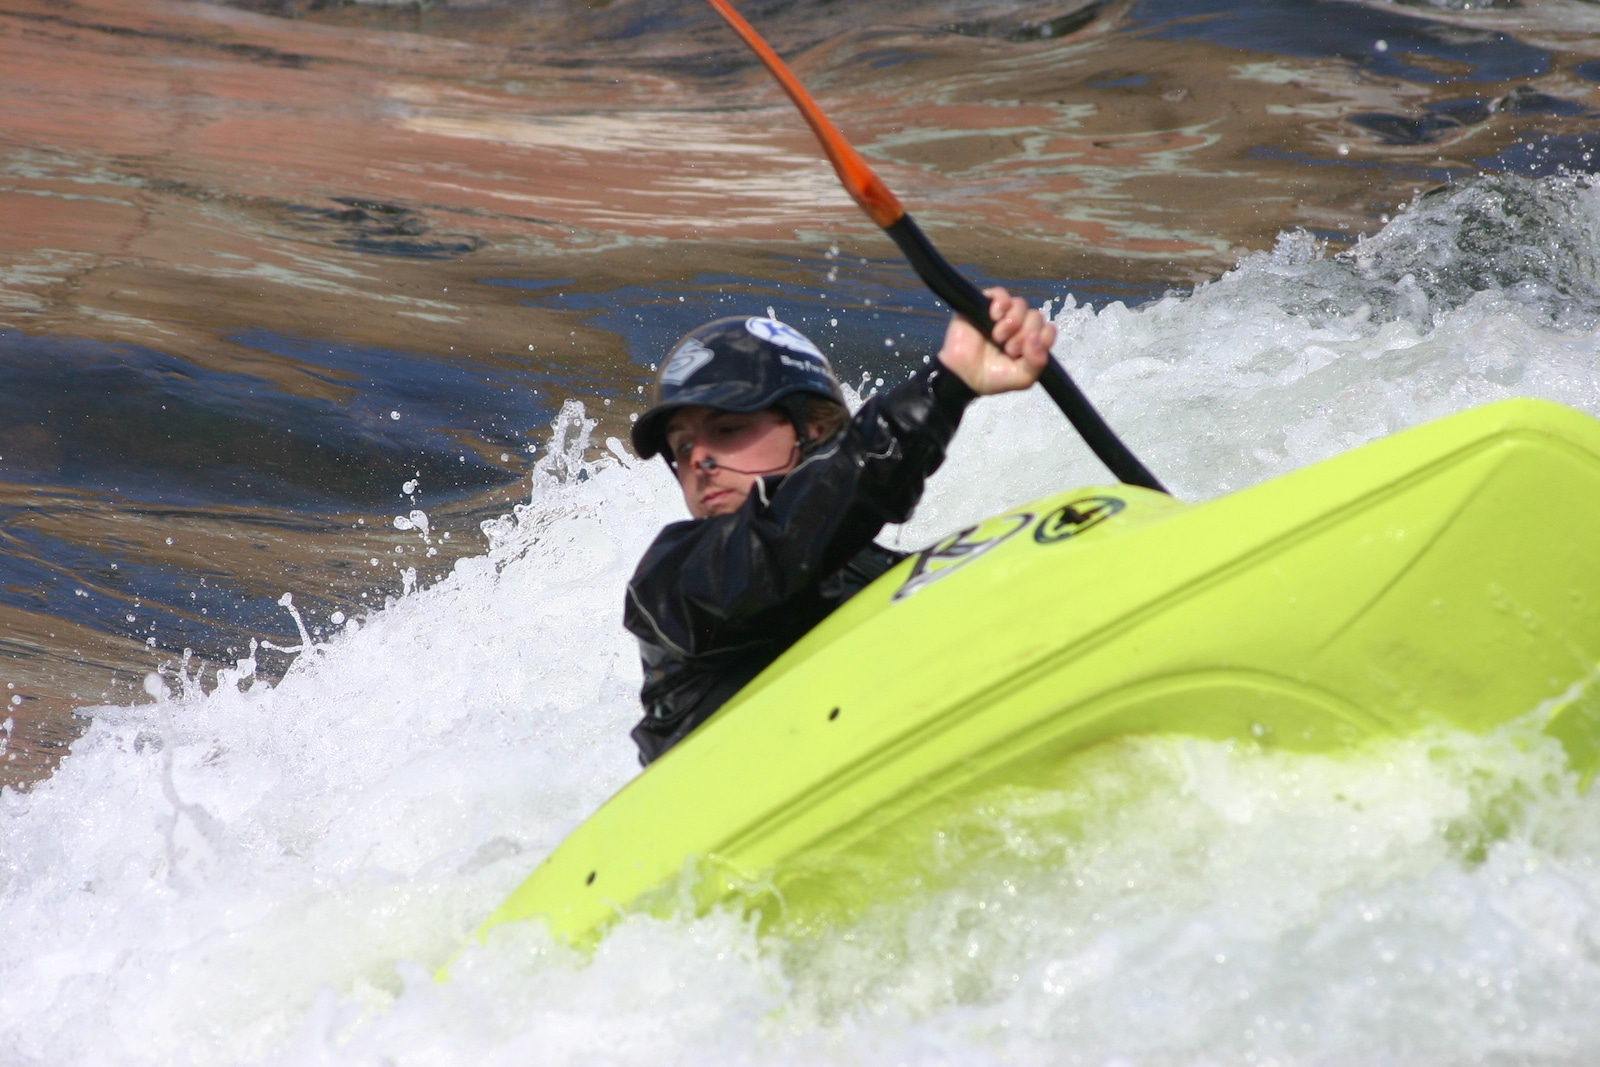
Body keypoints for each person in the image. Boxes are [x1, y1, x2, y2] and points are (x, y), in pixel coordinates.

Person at [623, 288, 1056, 765]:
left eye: (727, 430)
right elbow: (787, 538)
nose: (700, 460)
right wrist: (949, 382)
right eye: (682, 448)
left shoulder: (869, 570)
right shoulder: (674, 575)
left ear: (814, 432)